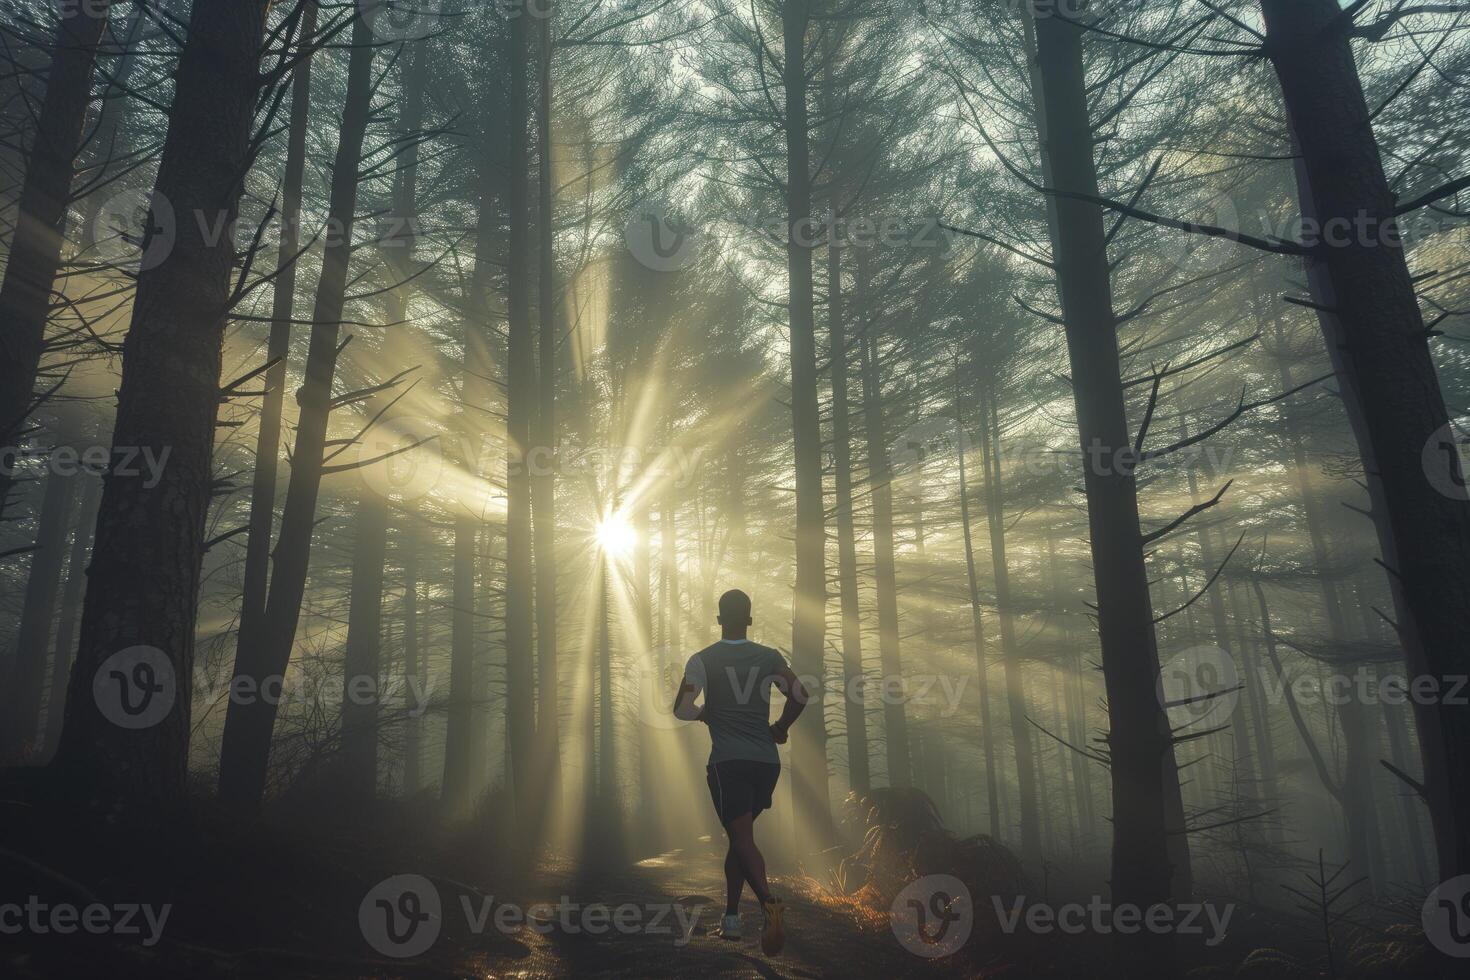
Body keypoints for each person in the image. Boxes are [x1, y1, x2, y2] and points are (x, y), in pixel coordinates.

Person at [672, 588, 808, 957]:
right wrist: (780, 727)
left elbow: (682, 708)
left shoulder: (702, 660)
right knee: (740, 839)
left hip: (727, 763)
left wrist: (704, 713)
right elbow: (800, 694)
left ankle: (768, 903)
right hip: (766, 763)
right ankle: (731, 920)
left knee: (742, 839)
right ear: (749, 620)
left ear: (719, 620)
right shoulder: (769, 657)